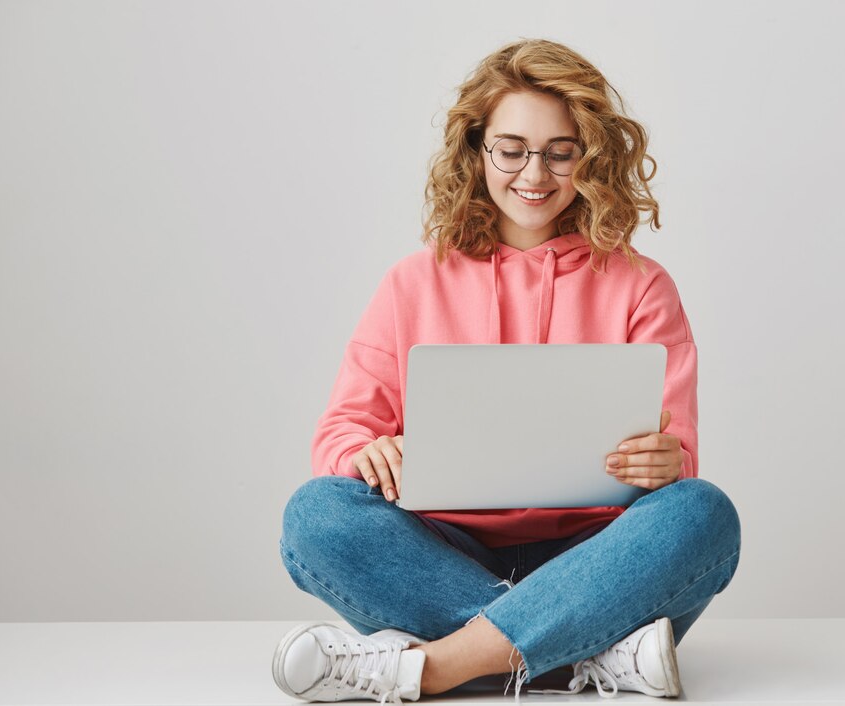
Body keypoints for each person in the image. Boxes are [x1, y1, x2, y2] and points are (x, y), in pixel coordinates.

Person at [273, 38, 742, 704]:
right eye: (512, 149)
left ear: (590, 157)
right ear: (477, 151)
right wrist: (362, 452)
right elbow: (343, 429)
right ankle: (590, 654)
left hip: (599, 555)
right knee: (316, 515)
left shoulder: (642, 286)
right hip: (441, 552)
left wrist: (667, 461)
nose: (535, 173)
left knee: (703, 514)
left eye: (560, 151)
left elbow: (679, 455)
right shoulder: (412, 282)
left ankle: (435, 666)